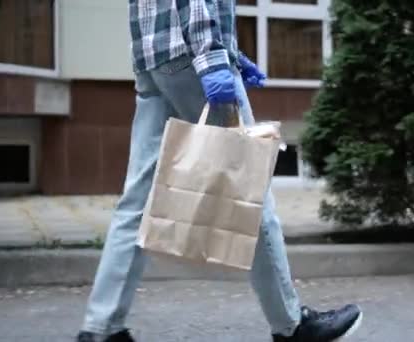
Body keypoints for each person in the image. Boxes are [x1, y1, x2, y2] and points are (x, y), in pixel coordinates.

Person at [76, 1, 363, 341]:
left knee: (138, 200)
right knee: (249, 186)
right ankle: (291, 326)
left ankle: (101, 327)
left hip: (152, 58)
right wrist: (213, 57)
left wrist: (232, 54)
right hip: (192, 55)